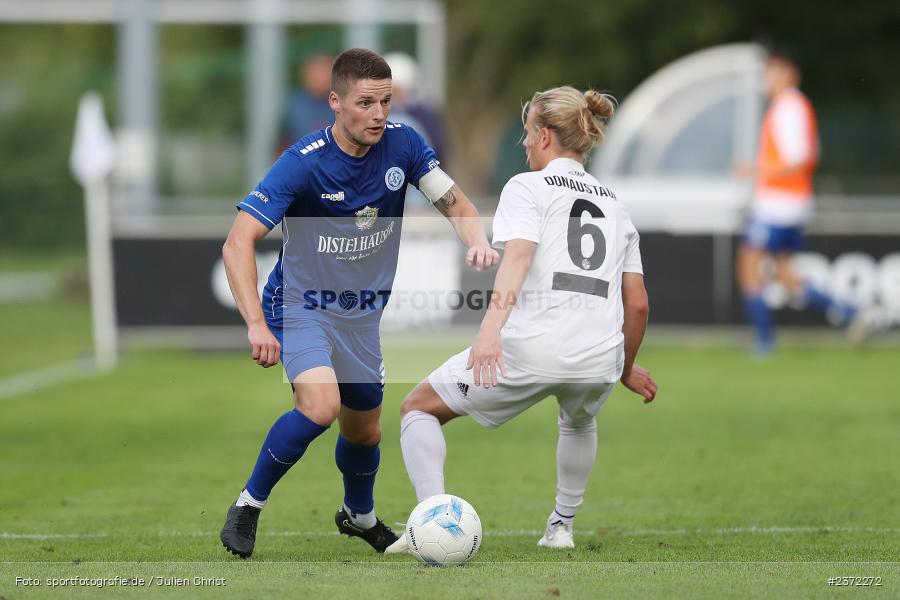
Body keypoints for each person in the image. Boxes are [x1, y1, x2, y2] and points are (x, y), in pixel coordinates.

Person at [219, 48, 499, 559]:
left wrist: (475, 239)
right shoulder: (301, 164)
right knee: (320, 407)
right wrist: (256, 324)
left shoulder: (405, 145)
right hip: (300, 304)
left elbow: (455, 203)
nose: (378, 114)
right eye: (366, 102)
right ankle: (248, 505)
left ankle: (359, 517)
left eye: (386, 101)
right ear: (335, 102)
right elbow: (237, 242)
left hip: (361, 314)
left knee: (365, 429)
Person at [385, 86, 658, 553]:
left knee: (417, 408)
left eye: (528, 133)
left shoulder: (526, 186)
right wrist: (624, 366)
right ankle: (561, 528)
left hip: (533, 346)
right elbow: (637, 306)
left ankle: (431, 522)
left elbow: (516, 260)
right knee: (577, 422)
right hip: (599, 355)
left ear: (546, 136)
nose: (524, 143)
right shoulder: (616, 203)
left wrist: (489, 331)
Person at [736, 48, 859, 353]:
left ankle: (764, 343)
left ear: (789, 73)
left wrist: (755, 170)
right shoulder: (794, 106)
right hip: (790, 202)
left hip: (779, 203)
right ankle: (850, 312)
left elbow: (800, 158)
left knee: (748, 267)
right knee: (786, 276)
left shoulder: (789, 106)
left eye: (772, 71)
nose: (767, 78)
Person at [281, 54, 335, 147]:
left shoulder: (342, 105)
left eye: (325, 72)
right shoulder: (295, 105)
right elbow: (282, 143)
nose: (322, 77)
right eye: (317, 72)